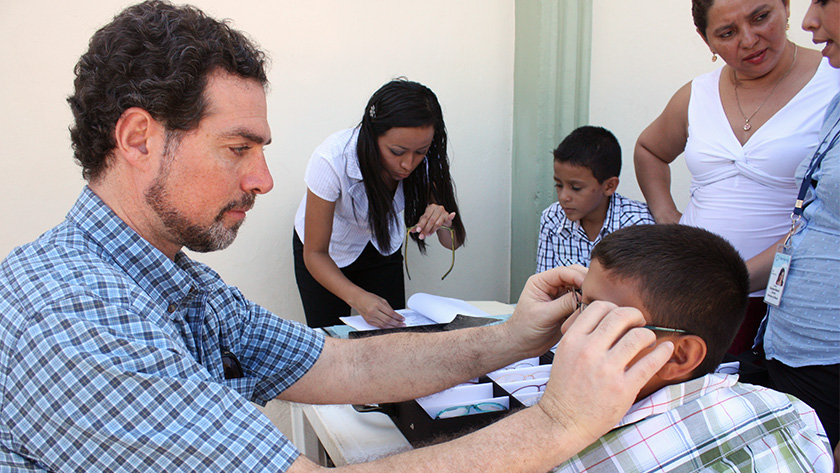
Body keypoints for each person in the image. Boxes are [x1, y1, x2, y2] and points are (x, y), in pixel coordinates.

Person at [0, 2, 676, 472]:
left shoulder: (181, 282)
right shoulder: (72, 317)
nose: (263, 178)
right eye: (238, 147)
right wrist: (559, 420)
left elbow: (341, 363)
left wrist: (513, 338)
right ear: (139, 139)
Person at [634, 0, 840, 356]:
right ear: (705, 39)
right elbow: (650, 150)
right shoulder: (697, 93)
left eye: (761, 18)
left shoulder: (832, 81)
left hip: (781, 302)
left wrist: (732, 279)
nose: (749, 40)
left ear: (786, 7)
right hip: (693, 292)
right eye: (727, 33)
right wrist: (669, 219)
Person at [552, 224, 833, 472]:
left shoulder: (574, 454)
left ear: (680, 355)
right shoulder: (795, 413)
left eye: (603, 318)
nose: (568, 329)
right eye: (581, 304)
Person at [293, 79, 466, 329]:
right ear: (371, 135)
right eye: (397, 152)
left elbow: (453, 242)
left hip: (380, 246)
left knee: (392, 338)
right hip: (324, 253)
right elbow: (315, 254)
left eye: (421, 151)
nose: (409, 163)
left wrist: (443, 221)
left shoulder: (426, 163)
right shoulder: (331, 159)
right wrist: (359, 299)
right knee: (329, 341)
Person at [746, 0, 840, 453]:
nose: (808, 22)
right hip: (787, 346)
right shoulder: (839, 101)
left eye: (823, 0)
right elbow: (815, 220)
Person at [536, 126, 654, 272]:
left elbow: (644, 292)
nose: (563, 197)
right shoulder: (552, 219)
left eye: (576, 188)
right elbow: (543, 288)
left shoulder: (639, 225)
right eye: (559, 185)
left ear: (609, 186)